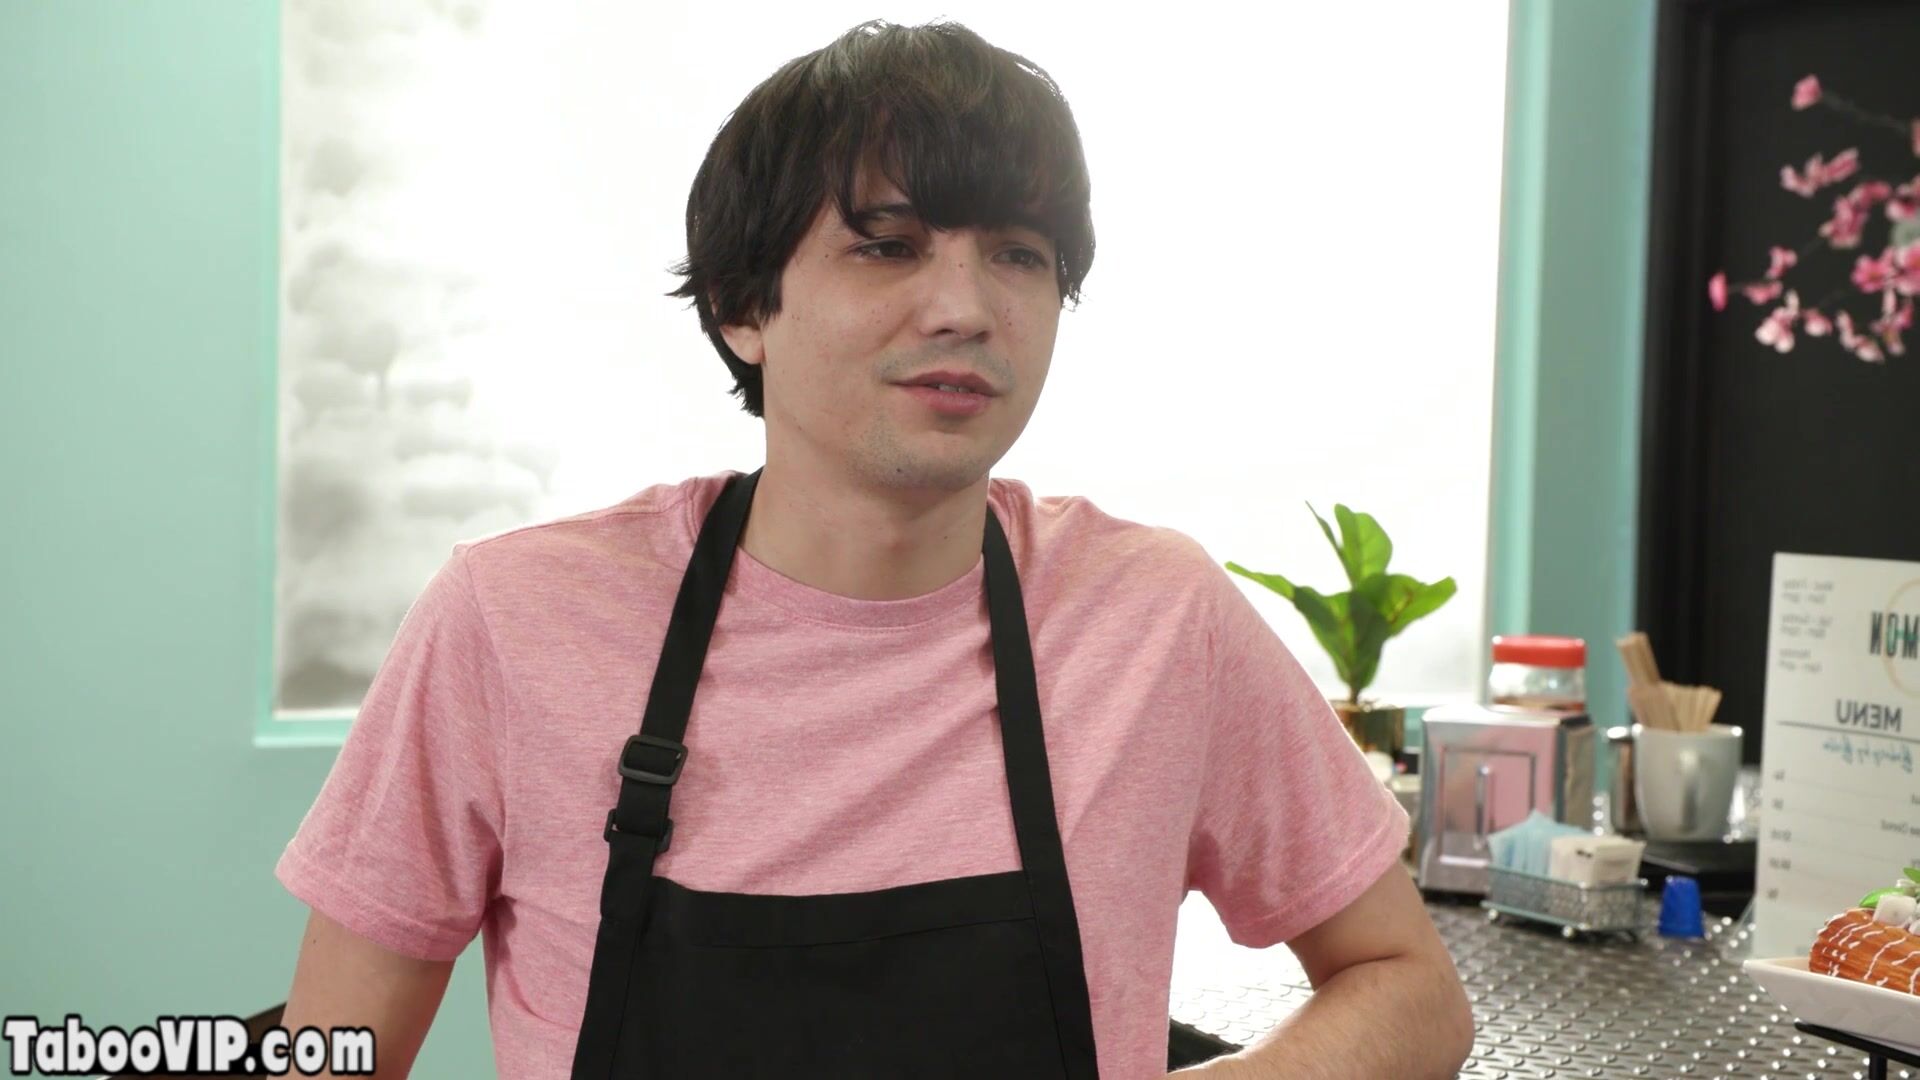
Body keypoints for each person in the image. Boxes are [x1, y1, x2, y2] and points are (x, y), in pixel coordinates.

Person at [276, 18, 1474, 1079]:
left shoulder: (1158, 618)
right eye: (888, 245)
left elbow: (1412, 991)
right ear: (743, 307)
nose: (967, 308)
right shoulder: (512, 619)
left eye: (1018, 254)